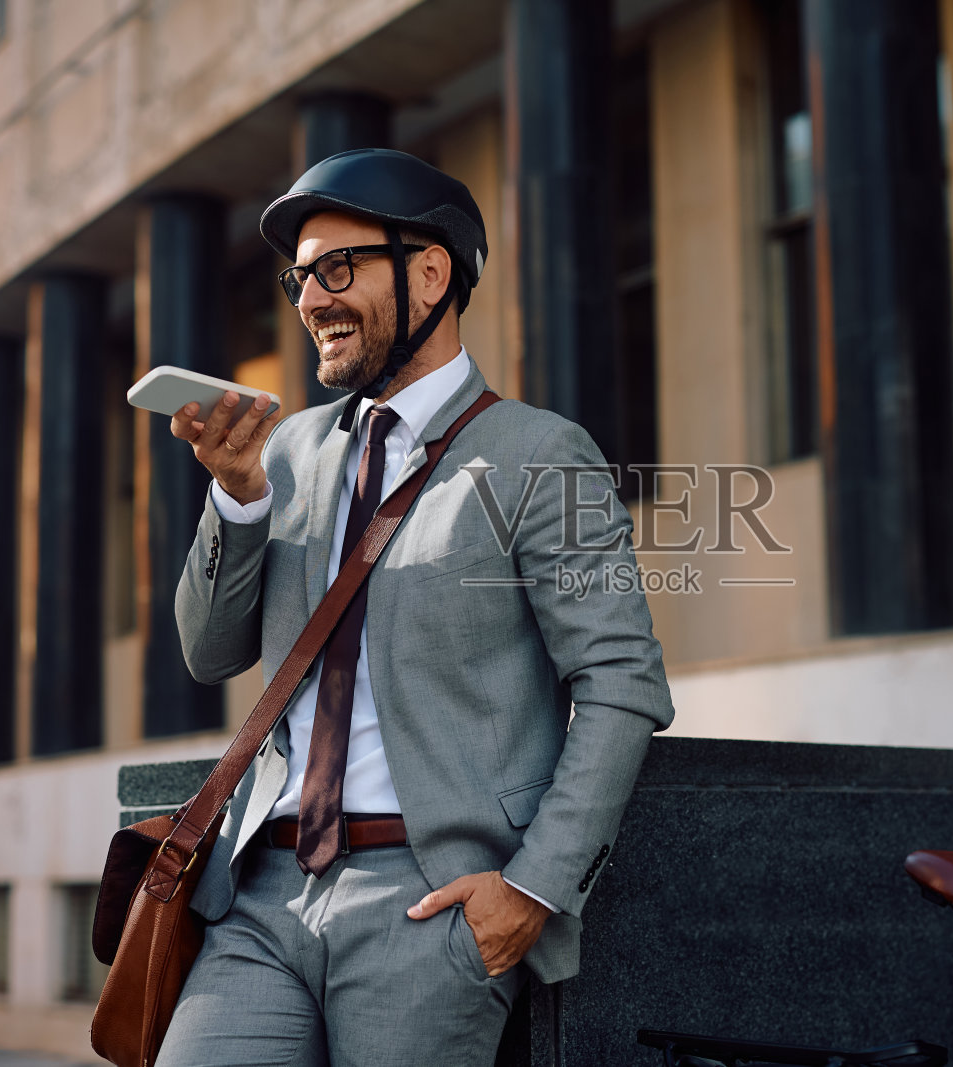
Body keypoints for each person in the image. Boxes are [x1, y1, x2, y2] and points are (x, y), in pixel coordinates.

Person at [156, 149, 675, 1066]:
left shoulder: (542, 455)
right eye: (300, 277)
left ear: (430, 271)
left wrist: (534, 890)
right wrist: (236, 498)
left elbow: (621, 681)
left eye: (337, 268)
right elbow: (208, 652)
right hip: (259, 897)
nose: (311, 298)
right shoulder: (284, 452)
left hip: (428, 905)